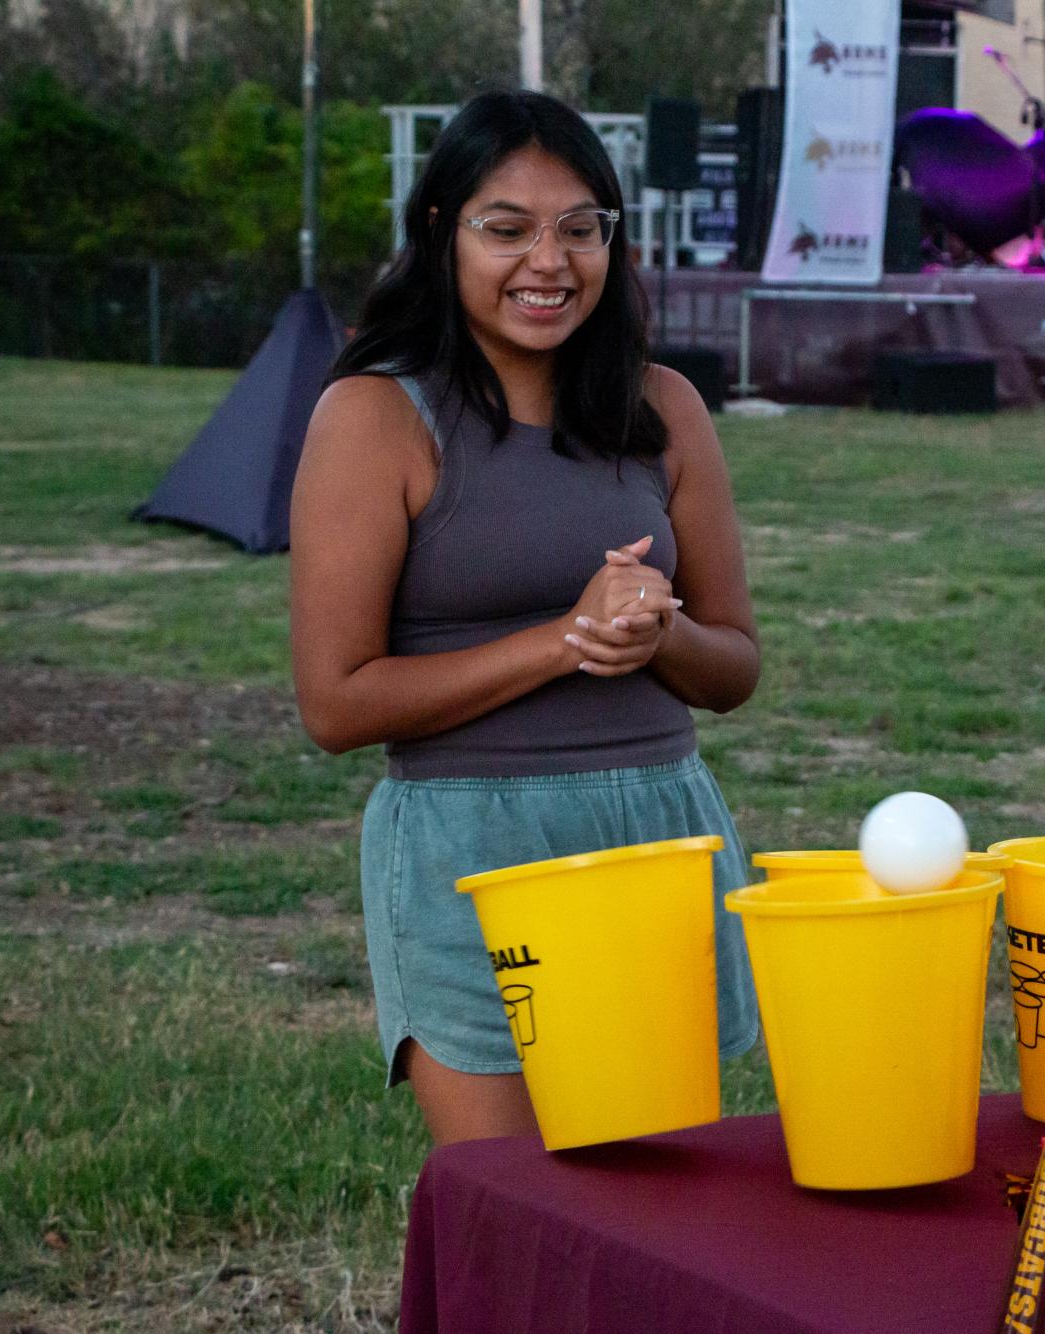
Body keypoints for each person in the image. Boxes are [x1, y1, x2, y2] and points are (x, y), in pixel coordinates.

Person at [289, 90, 760, 1146]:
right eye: (506, 228)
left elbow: (733, 667)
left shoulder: (665, 408)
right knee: (514, 1212)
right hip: (473, 849)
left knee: (656, 1222)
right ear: (437, 232)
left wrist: (660, 633)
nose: (548, 262)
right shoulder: (373, 415)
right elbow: (335, 700)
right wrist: (564, 641)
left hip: (656, 834)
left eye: (580, 229)